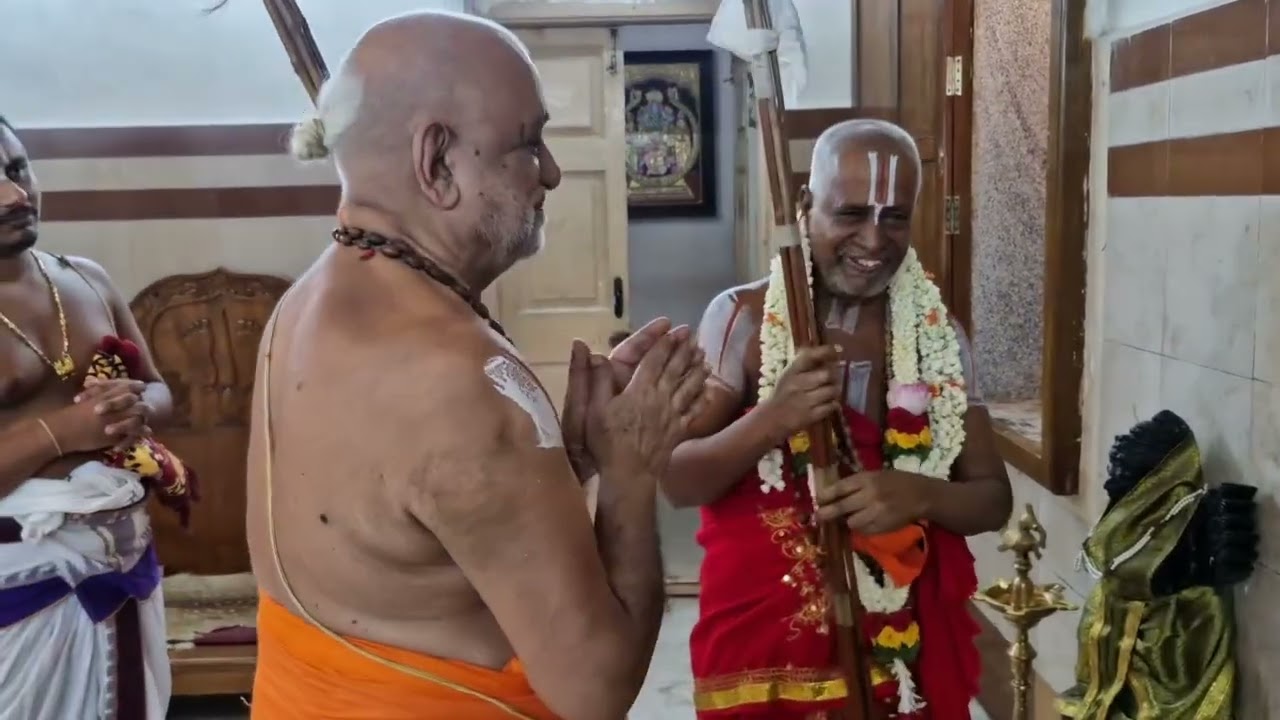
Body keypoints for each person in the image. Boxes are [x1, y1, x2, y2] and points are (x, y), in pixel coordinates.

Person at [246, 11, 707, 720]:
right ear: (437, 161)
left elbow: (420, 516)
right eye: (529, 143)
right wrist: (630, 473)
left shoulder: (301, 304)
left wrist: (569, 460)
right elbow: (596, 692)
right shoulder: (461, 382)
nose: (552, 172)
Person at [664, 118, 1013, 720]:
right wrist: (774, 418)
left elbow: (992, 500)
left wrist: (918, 493)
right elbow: (677, 481)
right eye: (850, 214)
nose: (874, 240)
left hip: (895, 632)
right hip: (766, 635)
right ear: (805, 206)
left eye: (896, 217)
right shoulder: (742, 319)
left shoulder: (936, 338)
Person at [0, 115, 178, 718]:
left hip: (123, 560)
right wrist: (61, 433)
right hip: (21, 587)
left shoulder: (82, 277)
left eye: (17, 168)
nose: (14, 195)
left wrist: (135, 410)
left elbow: (159, 391)